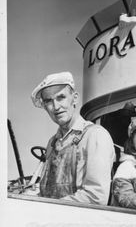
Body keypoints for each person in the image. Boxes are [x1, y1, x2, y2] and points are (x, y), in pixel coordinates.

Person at [31, 71, 115, 205]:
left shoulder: (95, 136)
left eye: (61, 97)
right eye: (48, 101)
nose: (56, 107)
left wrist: (47, 209)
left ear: (74, 98)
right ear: (45, 107)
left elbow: (96, 197)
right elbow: (46, 192)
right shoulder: (52, 144)